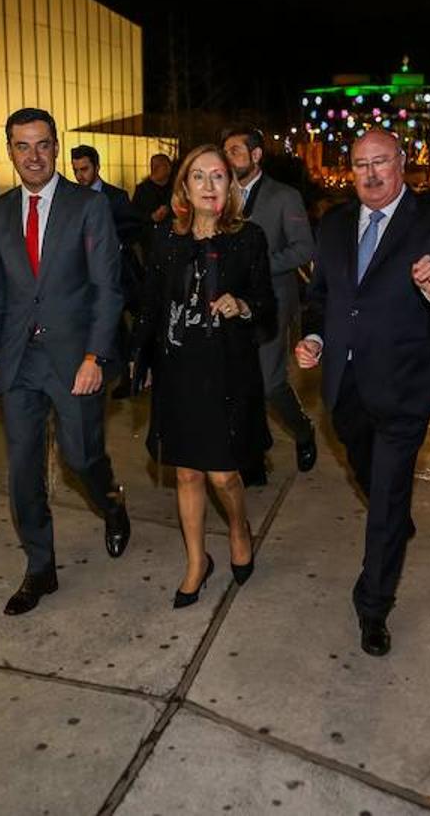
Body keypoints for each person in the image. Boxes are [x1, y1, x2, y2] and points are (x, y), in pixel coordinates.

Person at [294, 129, 430, 657]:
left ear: (402, 164)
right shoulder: (335, 222)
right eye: (360, 165)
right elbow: (321, 296)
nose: (371, 174)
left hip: (404, 385)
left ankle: (374, 604)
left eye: (381, 162)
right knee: (365, 468)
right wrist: (313, 335)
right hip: (345, 385)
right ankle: (394, 519)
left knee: (387, 500)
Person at [0, 108, 132, 616]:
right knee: (23, 469)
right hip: (19, 362)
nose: (33, 156)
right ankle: (40, 567)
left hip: (74, 358)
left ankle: (111, 503)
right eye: (22, 146)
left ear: (57, 147)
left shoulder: (88, 206)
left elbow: (109, 288)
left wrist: (95, 356)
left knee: (82, 457)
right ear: (10, 151)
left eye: (42, 145)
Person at [131, 145, 275, 607]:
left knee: (223, 477)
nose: (210, 186)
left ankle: (238, 526)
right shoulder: (165, 240)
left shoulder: (248, 238)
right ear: (185, 189)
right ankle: (197, 561)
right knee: (187, 475)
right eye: (199, 177)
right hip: (178, 372)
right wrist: (142, 360)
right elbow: (151, 306)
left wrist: (243, 305)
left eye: (219, 177)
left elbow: (269, 307)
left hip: (226, 374)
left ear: (230, 187)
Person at [222, 127, 316, 485]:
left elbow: (303, 249)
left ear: (256, 155)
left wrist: (259, 265)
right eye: (225, 150)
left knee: (269, 383)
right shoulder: (219, 193)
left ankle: (303, 430)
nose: (228, 157)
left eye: (235, 150)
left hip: (272, 303)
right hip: (229, 306)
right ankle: (253, 458)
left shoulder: (285, 196)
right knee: (237, 383)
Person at [72, 144, 144, 399]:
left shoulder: (116, 196)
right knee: (109, 328)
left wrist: (114, 240)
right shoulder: (73, 198)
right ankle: (115, 372)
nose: (80, 175)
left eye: (84, 169)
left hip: (121, 272)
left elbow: (135, 226)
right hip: (87, 275)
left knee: (126, 325)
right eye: (76, 170)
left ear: (97, 166)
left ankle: (130, 374)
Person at [132, 153, 174, 227]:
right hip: (149, 231)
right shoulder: (143, 189)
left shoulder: (175, 187)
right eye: (164, 166)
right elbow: (134, 214)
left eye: (167, 165)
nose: (168, 168)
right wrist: (151, 216)